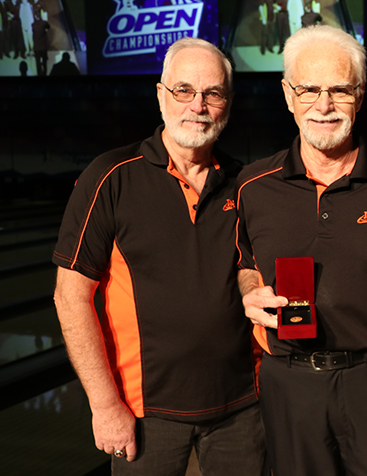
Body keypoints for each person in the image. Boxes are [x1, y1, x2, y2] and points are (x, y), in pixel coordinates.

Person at [52, 37, 265, 475]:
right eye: (183, 90)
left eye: (213, 93)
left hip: (241, 408)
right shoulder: (110, 177)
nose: (197, 106)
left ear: (227, 102)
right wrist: (105, 405)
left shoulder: (244, 183)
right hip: (143, 411)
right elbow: (70, 297)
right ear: (160, 94)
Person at [236, 25, 367, 476]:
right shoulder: (253, 186)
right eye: (309, 90)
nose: (324, 106)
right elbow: (245, 263)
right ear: (288, 95)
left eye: (339, 90)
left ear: (359, 95)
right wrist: (249, 292)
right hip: (289, 383)